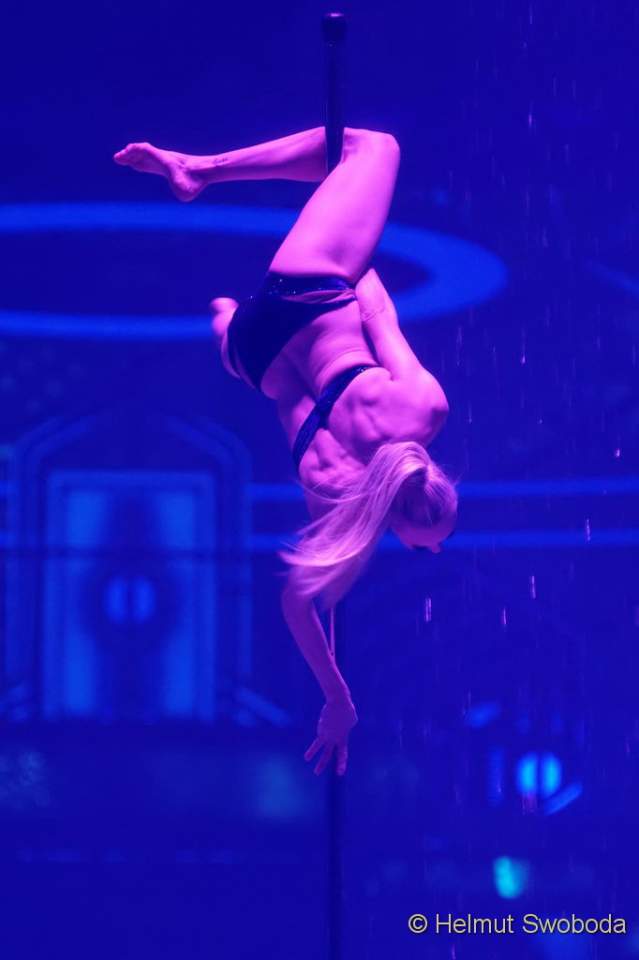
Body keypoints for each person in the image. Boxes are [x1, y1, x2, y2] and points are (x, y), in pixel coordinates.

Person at [114, 126, 459, 776]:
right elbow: (299, 605)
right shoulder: (339, 511)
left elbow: (378, 315)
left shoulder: (421, 411)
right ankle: (222, 317)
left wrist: (353, 227)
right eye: (427, 542)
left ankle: (200, 167)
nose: (434, 549)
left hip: (310, 296)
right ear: (396, 519)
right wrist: (338, 700)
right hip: (254, 355)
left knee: (374, 150)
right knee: (233, 331)